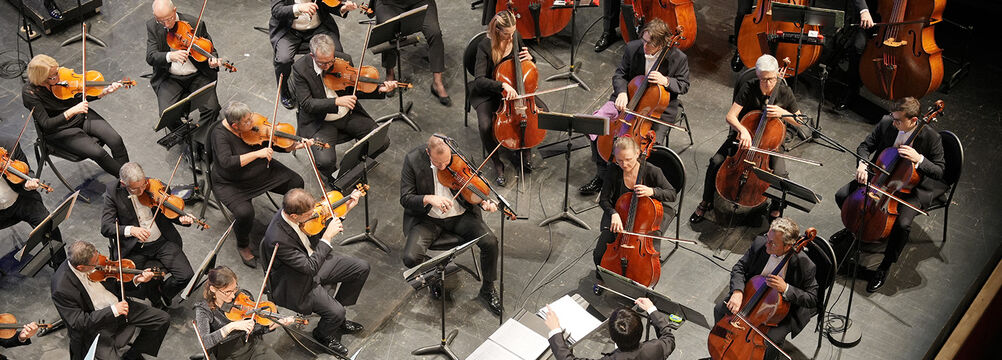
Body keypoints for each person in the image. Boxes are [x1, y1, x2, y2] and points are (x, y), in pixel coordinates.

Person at [834, 97, 946, 292]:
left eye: (898, 120)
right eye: (893, 118)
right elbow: (865, 146)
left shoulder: (930, 137)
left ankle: (884, 266)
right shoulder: (887, 122)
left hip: (910, 188)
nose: (894, 123)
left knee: (902, 225)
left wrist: (919, 158)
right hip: (880, 177)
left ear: (913, 120)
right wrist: (862, 163)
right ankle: (854, 228)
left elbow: (939, 171)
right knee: (842, 195)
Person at [579, 18, 690, 195]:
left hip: (656, 110)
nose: (644, 46)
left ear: (662, 43)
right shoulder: (633, 48)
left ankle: (634, 182)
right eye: (644, 40)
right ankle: (602, 176)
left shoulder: (678, 58)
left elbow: (684, 85)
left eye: (650, 43)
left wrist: (666, 81)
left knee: (649, 146)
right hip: (628, 99)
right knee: (596, 126)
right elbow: (620, 74)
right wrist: (622, 92)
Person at [689, 54, 801, 224]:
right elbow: (731, 116)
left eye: (771, 79)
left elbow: (799, 122)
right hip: (744, 138)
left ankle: (776, 210)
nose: (767, 84)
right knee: (715, 162)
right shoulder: (749, 87)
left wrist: (783, 113)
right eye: (762, 79)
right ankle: (706, 202)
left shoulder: (784, 92)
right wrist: (743, 130)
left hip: (770, 143)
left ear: (778, 74)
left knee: (780, 175)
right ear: (757, 76)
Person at [399, 135, 502, 315]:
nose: (443, 167)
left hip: (460, 216)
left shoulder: (459, 156)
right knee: (410, 258)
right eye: (438, 164)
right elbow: (405, 198)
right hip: (428, 220)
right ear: (428, 152)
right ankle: (435, 280)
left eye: (446, 162)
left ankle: (487, 288)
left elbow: (472, 186)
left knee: (490, 242)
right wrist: (429, 198)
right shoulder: (413, 159)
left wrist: (483, 202)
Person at [261, 189, 369, 356]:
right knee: (336, 312)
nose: (314, 215)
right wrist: (327, 237)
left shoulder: (295, 215)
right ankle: (323, 334)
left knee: (361, 268)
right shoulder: (277, 237)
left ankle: (336, 318)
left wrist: (345, 209)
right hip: (296, 281)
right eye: (309, 213)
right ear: (295, 216)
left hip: (313, 261)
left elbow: (318, 225)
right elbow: (309, 267)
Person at [290, 34, 395, 188]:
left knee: (381, 141)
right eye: (322, 63)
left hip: (348, 114)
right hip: (320, 122)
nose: (328, 66)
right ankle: (335, 178)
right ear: (312, 55)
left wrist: (379, 89)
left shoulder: (342, 60)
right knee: (325, 161)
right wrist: (336, 101)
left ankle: (354, 168)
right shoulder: (300, 69)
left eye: (330, 61)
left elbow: (355, 89)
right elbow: (307, 104)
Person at [210, 101, 307, 268]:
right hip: (231, 183)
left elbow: (268, 141)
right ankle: (243, 245)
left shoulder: (251, 124)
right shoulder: (219, 135)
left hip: (261, 171)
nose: (252, 123)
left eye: (250, 117)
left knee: (296, 182)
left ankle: (287, 220)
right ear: (235, 125)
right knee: (244, 213)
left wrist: (292, 145)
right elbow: (226, 163)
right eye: (247, 122)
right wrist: (257, 154)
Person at [712, 217, 817, 360]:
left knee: (768, 344)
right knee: (719, 309)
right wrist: (737, 292)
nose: (767, 243)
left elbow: (812, 298)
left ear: (787, 246)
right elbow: (740, 268)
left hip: (782, 313)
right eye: (768, 237)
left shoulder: (805, 265)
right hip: (751, 296)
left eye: (772, 243)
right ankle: (724, 351)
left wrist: (786, 288)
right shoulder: (760, 243)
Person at [50, 241, 169, 360]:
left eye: (97, 256)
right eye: (95, 262)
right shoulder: (61, 288)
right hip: (96, 326)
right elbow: (78, 322)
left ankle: (135, 352)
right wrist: (112, 310)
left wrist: (136, 280)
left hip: (120, 306)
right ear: (81, 267)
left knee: (162, 319)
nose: (100, 264)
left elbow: (115, 284)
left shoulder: (95, 261)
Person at [100, 162, 195, 309]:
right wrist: (131, 230)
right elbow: (106, 227)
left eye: (143, 185)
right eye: (136, 188)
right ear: (124, 184)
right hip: (135, 248)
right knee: (131, 282)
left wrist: (182, 219)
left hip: (162, 241)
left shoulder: (156, 186)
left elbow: (168, 211)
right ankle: (154, 297)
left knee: (186, 275)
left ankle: (163, 292)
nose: (142, 190)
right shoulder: (113, 193)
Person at [470, 10, 546, 186]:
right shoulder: (485, 46)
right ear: (497, 30)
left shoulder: (515, 35)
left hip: (517, 89)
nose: (511, 37)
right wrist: (501, 85)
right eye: (507, 34)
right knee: (485, 125)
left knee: (539, 115)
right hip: (490, 91)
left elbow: (525, 62)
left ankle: (525, 147)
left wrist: (531, 58)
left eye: (513, 33)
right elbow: (479, 80)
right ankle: (497, 162)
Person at [21, 54, 130, 177]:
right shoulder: (30, 93)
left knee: (116, 140)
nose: (58, 76)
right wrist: (72, 111)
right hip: (59, 130)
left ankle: (127, 179)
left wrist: (103, 92)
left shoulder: (61, 76)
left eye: (57, 71)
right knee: (98, 153)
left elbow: (76, 96)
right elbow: (46, 124)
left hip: (80, 116)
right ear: (41, 78)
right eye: (53, 76)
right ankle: (127, 182)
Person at [593, 137, 676, 271]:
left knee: (646, 260)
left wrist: (652, 191)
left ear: (637, 154)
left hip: (646, 219)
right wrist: (613, 214)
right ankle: (603, 278)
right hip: (619, 217)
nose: (624, 164)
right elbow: (604, 199)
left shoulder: (652, 171)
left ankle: (641, 286)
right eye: (619, 160)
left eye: (628, 159)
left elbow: (672, 194)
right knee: (599, 254)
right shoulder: (613, 170)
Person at [145, 0, 222, 131]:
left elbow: (211, 50)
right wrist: (170, 56)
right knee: (166, 115)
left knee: (212, 109)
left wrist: (213, 60)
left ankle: (199, 139)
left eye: (169, 19)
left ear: (174, 10)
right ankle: (187, 136)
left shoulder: (194, 23)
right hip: (170, 78)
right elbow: (151, 56)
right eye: (161, 21)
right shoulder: (152, 25)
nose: (167, 24)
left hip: (197, 75)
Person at [270, 0, 359, 109]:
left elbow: (329, 5)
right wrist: (299, 8)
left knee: (337, 53)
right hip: (289, 31)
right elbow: (276, 10)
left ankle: (333, 83)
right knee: (283, 60)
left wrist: (343, 9)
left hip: (319, 28)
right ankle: (283, 91)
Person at [194, 266, 294, 360]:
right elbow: (205, 342)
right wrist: (231, 327)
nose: (233, 296)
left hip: (252, 346)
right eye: (228, 292)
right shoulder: (204, 309)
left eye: (235, 289)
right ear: (213, 289)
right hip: (228, 356)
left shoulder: (242, 296)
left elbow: (256, 329)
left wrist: (273, 325)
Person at [373, 0, 451, 106]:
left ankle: (437, 82)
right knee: (388, 31)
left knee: (435, 33)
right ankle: (390, 73)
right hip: (390, 4)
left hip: (420, 1)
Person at [544, 297, 675, 359]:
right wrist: (651, 309)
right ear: (640, 331)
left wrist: (555, 329)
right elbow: (668, 337)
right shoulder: (656, 348)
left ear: (612, 336)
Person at [0, 135, 63, 247]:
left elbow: (27, 172)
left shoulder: (9, 145)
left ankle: (59, 261)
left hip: (20, 199)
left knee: (48, 224)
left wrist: (27, 183)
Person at [836, 0, 875, 110]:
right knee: (858, 46)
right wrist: (864, 10)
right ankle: (852, 88)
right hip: (869, 16)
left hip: (898, 22)